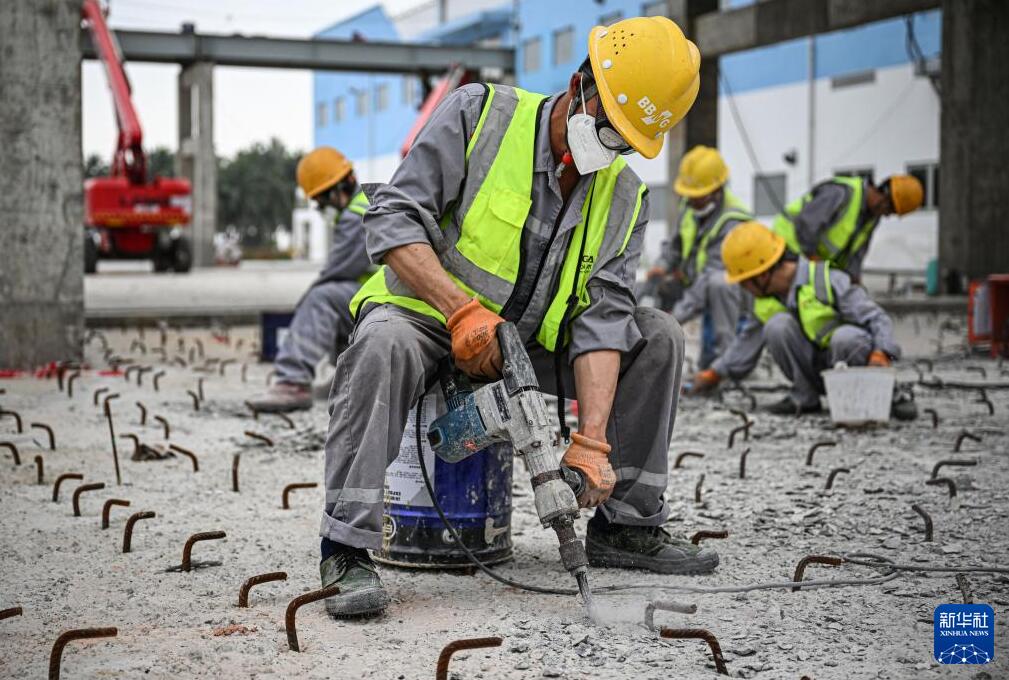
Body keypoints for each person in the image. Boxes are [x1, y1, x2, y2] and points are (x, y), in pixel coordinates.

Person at [318, 16, 718, 619]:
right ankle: (345, 548)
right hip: (428, 317)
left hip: (530, 344)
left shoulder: (625, 197)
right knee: (382, 345)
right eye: (606, 128)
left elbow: (604, 317)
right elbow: (393, 218)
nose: (608, 147)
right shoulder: (478, 116)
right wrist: (460, 312)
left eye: (624, 142)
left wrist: (590, 442)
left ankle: (626, 526)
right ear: (579, 83)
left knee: (657, 332)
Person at [687, 222, 916, 420]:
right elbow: (745, 343)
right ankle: (804, 398)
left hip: (851, 364)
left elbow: (877, 318)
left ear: (763, 274)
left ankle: (879, 398)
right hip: (817, 372)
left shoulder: (827, 280)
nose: (743, 288)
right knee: (777, 325)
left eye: (745, 281)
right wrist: (714, 373)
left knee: (845, 338)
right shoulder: (768, 301)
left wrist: (883, 353)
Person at [247, 147, 372, 412]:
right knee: (337, 302)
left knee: (322, 299)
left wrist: (307, 301)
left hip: (384, 298)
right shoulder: (364, 205)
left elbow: (338, 271)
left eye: (321, 201)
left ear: (339, 188)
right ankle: (348, 379)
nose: (321, 208)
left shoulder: (355, 216)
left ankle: (292, 382)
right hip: (382, 295)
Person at [647, 145, 752, 368]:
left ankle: (727, 366)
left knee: (718, 284)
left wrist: (675, 317)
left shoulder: (733, 220)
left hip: (735, 294)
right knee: (654, 287)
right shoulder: (690, 209)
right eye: (689, 196)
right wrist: (661, 266)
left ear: (717, 190)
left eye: (698, 197)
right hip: (696, 283)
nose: (693, 201)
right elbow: (674, 246)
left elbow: (710, 276)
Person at [772, 174, 924, 283]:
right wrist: (817, 266)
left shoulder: (871, 218)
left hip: (810, 259)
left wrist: (854, 282)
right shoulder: (840, 193)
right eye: (890, 211)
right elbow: (806, 226)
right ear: (884, 199)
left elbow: (856, 254)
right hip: (785, 247)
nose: (887, 216)